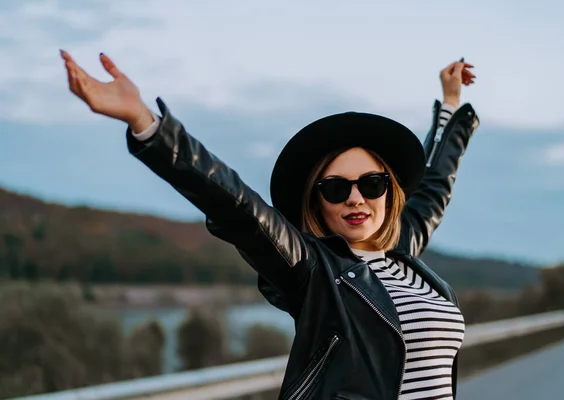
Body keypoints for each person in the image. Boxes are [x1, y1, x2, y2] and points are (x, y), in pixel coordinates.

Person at [60, 49, 479, 400]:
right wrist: (146, 123)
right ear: (317, 202)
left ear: (390, 192)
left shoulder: (405, 255)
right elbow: (236, 205)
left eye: (371, 183)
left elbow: (434, 185)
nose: (356, 197)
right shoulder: (315, 272)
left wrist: (449, 105)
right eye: (335, 188)